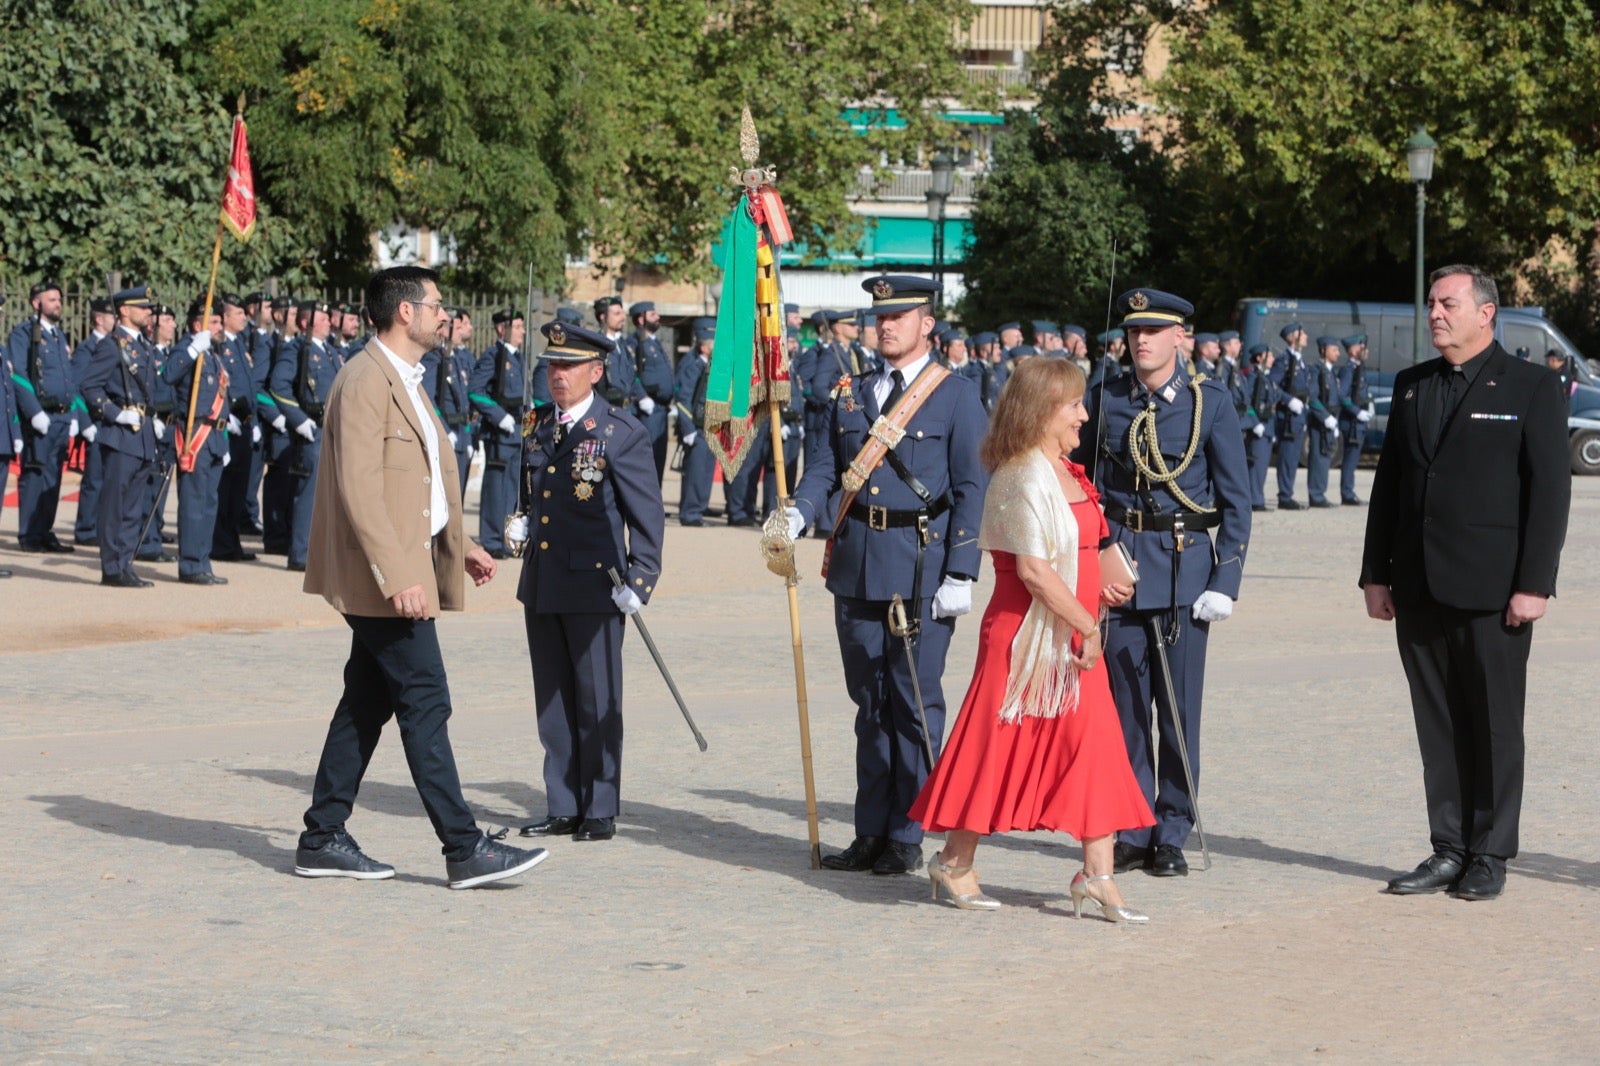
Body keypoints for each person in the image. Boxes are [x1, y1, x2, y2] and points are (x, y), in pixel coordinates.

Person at [294, 265, 548, 889]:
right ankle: (463, 847)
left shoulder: (406, 378)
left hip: (405, 565)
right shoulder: (363, 380)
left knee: (367, 699)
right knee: (426, 697)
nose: (446, 315)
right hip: (382, 578)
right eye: (437, 304)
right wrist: (396, 574)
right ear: (404, 312)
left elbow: (418, 481)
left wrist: (458, 544)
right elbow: (361, 489)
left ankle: (322, 835)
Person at [910, 357, 1154, 919]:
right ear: (1042, 411)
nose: (1083, 415)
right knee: (992, 750)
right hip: (1024, 638)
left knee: (1095, 748)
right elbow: (1034, 571)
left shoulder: (1068, 470)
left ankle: (1098, 875)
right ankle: (953, 862)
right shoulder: (1019, 475)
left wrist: (1102, 591)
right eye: (1072, 405)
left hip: (1072, 630)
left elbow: (1080, 554)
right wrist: (1087, 622)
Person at [1360, 264, 1571, 902]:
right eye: (1430, 304)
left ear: (1486, 313)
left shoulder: (1532, 386)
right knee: (1439, 724)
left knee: (1495, 725)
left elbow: (1549, 496)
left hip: (1494, 590)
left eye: (1447, 303)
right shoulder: (1411, 385)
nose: (1434, 314)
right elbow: (1389, 487)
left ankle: (1490, 851)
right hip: (1418, 584)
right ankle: (1448, 847)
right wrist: (1375, 574)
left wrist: (1534, 584)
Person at [786, 275, 989, 876]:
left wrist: (961, 571)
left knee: (913, 703)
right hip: (857, 563)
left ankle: (909, 830)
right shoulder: (851, 391)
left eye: (900, 316)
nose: (886, 325)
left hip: (920, 565)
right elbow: (827, 463)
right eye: (880, 317)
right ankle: (870, 829)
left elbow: (972, 488)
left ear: (928, 323)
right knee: (868, 704)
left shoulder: (955, 395)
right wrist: (800, 510)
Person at [1076, 288, 1251, 877]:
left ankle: (1173, 828)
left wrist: (1225, 579)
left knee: (1177, 713)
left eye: (1153, 331)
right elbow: (1082, 480)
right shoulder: (1105, 399)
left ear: (1182, 338)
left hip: (1183, 573)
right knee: (1125, 711)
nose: (1140, 341)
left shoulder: (1211, 404)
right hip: (1122, 573)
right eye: (1132, 332)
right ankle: (1133, 826)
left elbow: (1236, 499)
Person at [510, 320, 665, 843]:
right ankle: (562, 802)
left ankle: (599, 805)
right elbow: (532, 495)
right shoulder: (537, 425)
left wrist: (640, 580)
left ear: (596, 372)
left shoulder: (619, 433)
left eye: (569, 366)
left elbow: (647, 516)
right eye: (552, 365)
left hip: (597, 584)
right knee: (552, 700)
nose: (558, 375)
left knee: (597, 698)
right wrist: (520, 520)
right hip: (544, 581)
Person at [78, 286, 162, 587]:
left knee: (133, 507)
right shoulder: (113, 345)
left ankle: (125, 563)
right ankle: (112, 567)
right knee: (115, 504)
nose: (148, 312)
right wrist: (115, 413)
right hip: (120, 434)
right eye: (142, 307)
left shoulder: (144, 345)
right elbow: (89, 386)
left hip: (142, 435)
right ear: (124, 310)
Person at [269, 299, 343, 572]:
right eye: (322, 319)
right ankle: (301, 553)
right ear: (305, 323)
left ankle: (322, 552)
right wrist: (299, 420)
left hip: (334, 429)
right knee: (309, 494)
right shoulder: (297, 349)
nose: (328, 323)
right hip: (313, 429)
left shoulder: (331, 352)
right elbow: (278, 386)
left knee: (331, 495)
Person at [8, 281, 80, 553]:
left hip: (61, 417)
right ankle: (29, 534)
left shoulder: (59, 336)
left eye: (59, 299)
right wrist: (34, 411)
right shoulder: (23, 333)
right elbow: (19, 376)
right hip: (42, 416)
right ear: (36, 303)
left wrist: (72, 412)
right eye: (51, 300)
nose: (58, 304)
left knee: (53, 478)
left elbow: (67, 377)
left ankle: (45, 530)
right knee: (35, 473)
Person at [164, 302, 232, 585]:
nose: (219, 327)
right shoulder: (187, 350)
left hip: (215, 438)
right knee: (193, 504)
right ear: (197, 325)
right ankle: (191, 565)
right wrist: (193, 349)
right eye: (214, 322)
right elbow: (169, 374)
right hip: (195, 436)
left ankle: (203, 561)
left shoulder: (212, 355)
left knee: (209, 504)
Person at [470, 307, 530, 558]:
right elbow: (474, 390)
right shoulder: (493, 356)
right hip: (500, 432)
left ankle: (508, 538)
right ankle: (493, 539)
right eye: (516, 327)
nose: (522, 332)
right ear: (501, 329)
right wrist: (499, 416)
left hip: (517, 430)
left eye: (521, 327)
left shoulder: (518, 357)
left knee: (514, 488)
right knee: (496, 488)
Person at [623, 301, 676, 482]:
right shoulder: (634, 341)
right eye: (653, 314)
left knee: (658, 459)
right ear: (640, 319)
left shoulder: (654, 342)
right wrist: (642, 396)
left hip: (661, 409)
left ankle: (655, 504)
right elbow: (630, 371)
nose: (658, 317)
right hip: (648, 410)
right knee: (647, 459)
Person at [673, 323, 716, 526]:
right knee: (696, 472)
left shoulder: (709, 365)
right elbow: (683, 399)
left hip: (708, 427)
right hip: (696, 428)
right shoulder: (692, 365)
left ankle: (698, 508)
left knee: (705, 472)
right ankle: (690, 513)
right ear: (704, 347)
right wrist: (688, 429)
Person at [1271, 322, 1311, 510]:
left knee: (1294, 457)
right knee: (1287, 456)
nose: (1306, 337)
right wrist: (1288, 400)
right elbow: (1272, 385)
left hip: (1298, 416)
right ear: (1292, 337)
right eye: (1302, 334)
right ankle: (1284, 496)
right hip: (1288, 416)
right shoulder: (1284, 361)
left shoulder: (1300, 360)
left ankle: (1288, 493)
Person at [1303, 335, 1343, 508]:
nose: (1338, 353)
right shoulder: (1317, 370)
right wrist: (1325, 417)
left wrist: (1334, 420)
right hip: (1320, 421)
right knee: (1318, 457)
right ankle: (1316, 494)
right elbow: (1312, 397)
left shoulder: (1331, 372)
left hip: (1330, 419)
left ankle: (1320, 493)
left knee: (1325, 457)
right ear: (1324, 350)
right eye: (1334, 349)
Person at [1336, 333, 1373, 504]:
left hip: (1358, 422)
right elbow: (1342, 395)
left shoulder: (1359, 368)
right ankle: (1347, 493)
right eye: (1361, 347)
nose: (1365, 350)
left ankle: (1349, 491)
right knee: (1350, 458)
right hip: (1351, 422)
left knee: (1354, 457)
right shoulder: (1348, 370)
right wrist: (1356, 412)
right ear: (1352, 350)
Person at [1242, 344, 1278, 512]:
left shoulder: (1264, 376)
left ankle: (1257, 497)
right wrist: (1254, 422)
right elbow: (1247, 401)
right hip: (1259, 426)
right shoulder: (1252, 376)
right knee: (1256, 466)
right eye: (1268, 356)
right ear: (1259, 358)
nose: (1272, 359)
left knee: (1262, 466)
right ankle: (1255, 500)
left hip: (1267, 425)